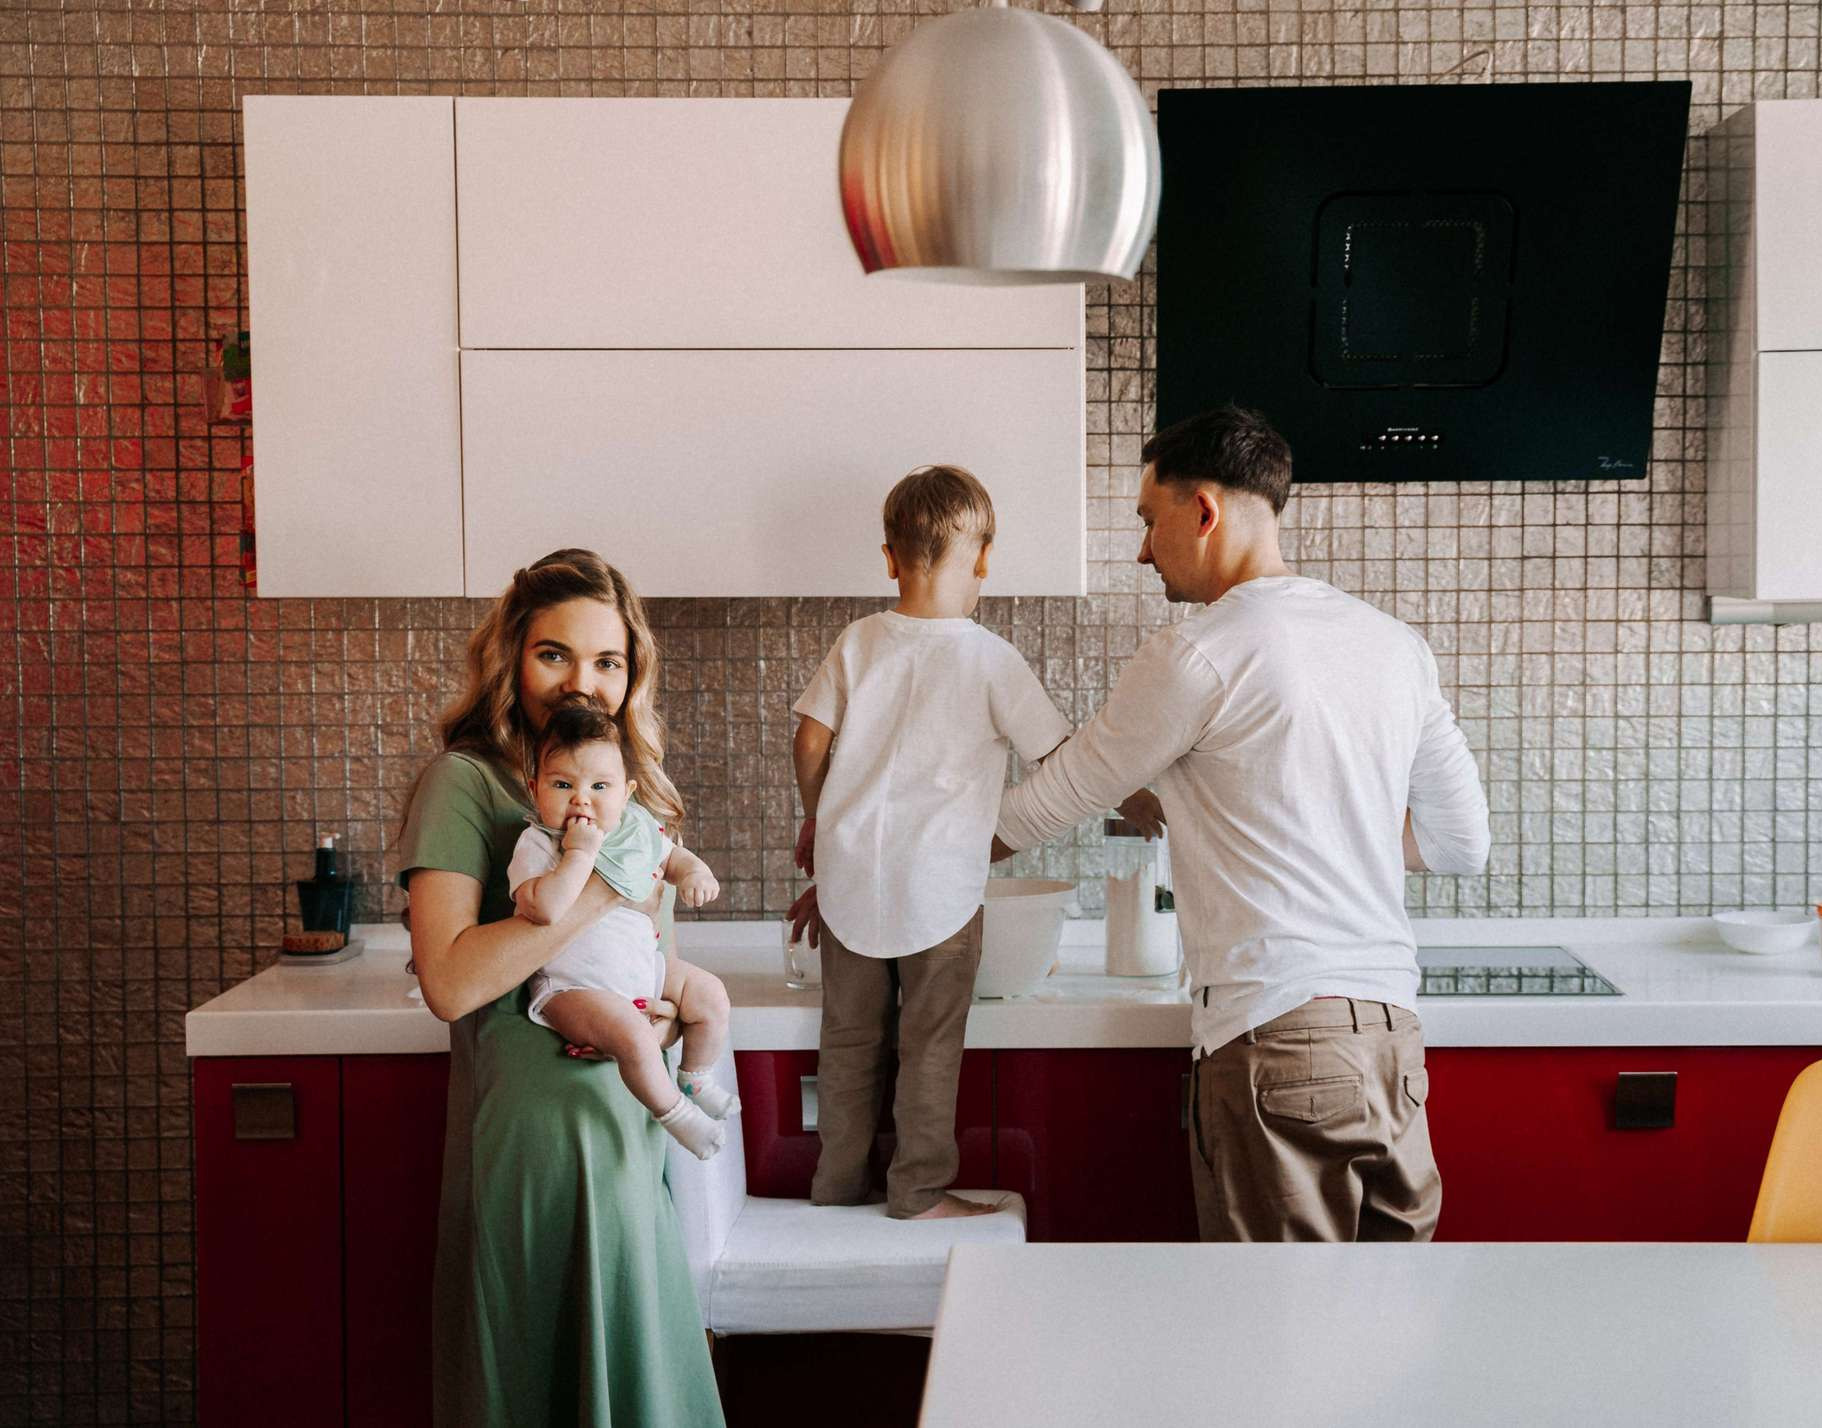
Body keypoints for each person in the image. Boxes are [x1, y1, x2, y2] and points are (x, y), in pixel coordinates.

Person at [992, 407, 1491, 1243]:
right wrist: (1336, 832)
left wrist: (878, 867)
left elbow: (1046, 804)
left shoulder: (1200, 655)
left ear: (1206, 511)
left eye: (1151, 521)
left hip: (1279, 1041)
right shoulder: (1395, 647)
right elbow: (1459, 843)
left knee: (1278, 1340)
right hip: (1393, 1046)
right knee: (1379, 1335)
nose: (1143, 550)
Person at [398, 549, 724, 1427]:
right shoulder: (464, 784)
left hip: (628, 1138)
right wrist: (613, 878)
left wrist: (657, 1018)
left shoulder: (629, 789)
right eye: (555, 654)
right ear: (513, 656)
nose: (583, 680)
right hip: (537, 1147)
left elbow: (645, 966)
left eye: (608, 661)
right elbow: (453, 983)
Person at [787, 465, 1160, 1220]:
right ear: (984, 559)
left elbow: (808, 737)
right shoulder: (991, 659)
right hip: (943, 890)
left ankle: (837, 1184)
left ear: (889, 558)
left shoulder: (858, 642)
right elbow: (1063, 757)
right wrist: (1138, 798)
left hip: (852, 880)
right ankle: (918, 1191)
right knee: (928, 1043)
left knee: (851, 1043)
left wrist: (819, 816)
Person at [510, 702, 738, 1160]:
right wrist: (578, 855)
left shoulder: (634, 829)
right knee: (633, 1036)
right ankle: (674, 1113)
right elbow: (546, 908)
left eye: (599, 786)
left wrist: (694, 873)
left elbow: (671, 856)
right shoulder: (537, 843)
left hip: (641, 968)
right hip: (572, 986)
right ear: (535, 790)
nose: (582, 799)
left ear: (626, 791)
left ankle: (695, 1075)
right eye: (562, 784)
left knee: (710, 995)